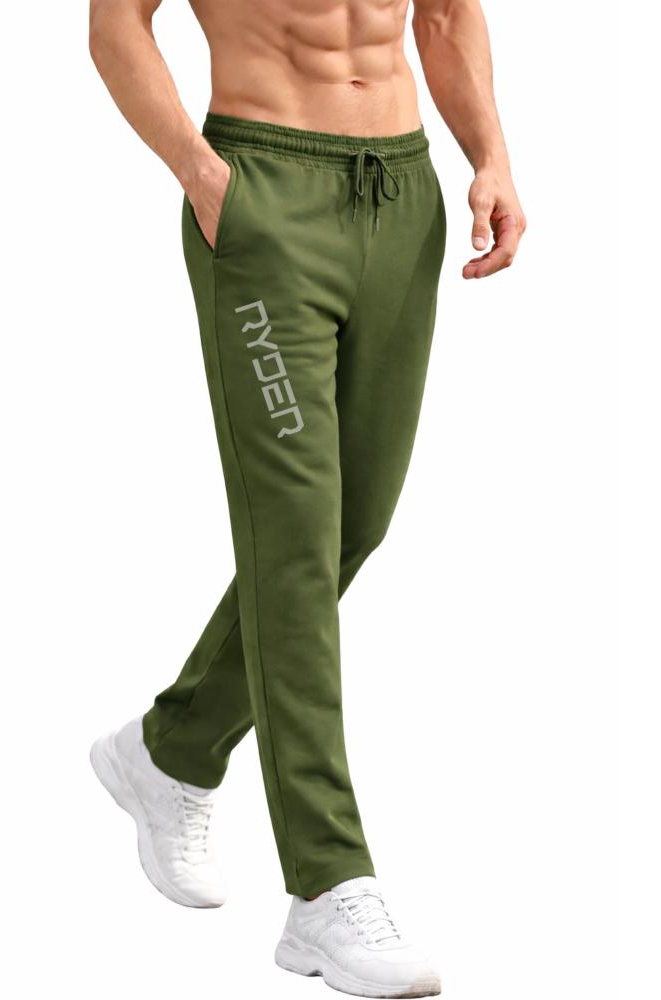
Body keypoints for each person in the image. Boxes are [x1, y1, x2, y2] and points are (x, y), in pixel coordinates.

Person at [87, 0, 526, 995]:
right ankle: (328, 884)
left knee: (352, 524)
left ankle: (170, 750)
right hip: (264, 193)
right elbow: (115, 25)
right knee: (292, 540)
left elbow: (445, 13)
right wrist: (203, 175)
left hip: (401, 194)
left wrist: (490, 155)